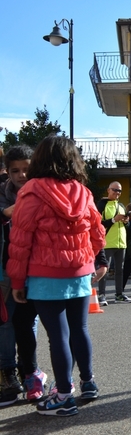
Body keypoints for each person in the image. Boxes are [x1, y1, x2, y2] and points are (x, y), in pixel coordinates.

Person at [7, 135, 106, 416]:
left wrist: (17, 281)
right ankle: (88, 383)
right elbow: (98, 234)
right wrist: (89, 259)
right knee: (80, 330)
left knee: (58, 337)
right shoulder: (83, 192)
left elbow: (20, 241)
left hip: (44, 274)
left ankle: (63, 395)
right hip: (80, 273)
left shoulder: (31, 191)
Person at [0, 145, 47, 405]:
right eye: (14, 170)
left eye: (26, 169)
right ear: (7, 171)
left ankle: (29, 371)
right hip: (5, 267)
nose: (21, 175)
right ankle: (7, 373)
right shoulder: (2, 192)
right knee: (5, 322)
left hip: (34, 267)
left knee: (28, 321)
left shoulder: (43, 190)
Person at [96, 181, 131, 304]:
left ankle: (119, 294)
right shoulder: (101, 205)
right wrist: (113, 220)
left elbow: (125, 224)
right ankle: (101, 295)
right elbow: (97, 224)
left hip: (121, 242)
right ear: (108, 190)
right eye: (115, 190)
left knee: (120, 270)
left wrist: (126, 221)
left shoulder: (121, 205)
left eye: (119, 191)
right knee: (104, 270)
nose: (117, 193)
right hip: (107, 243)